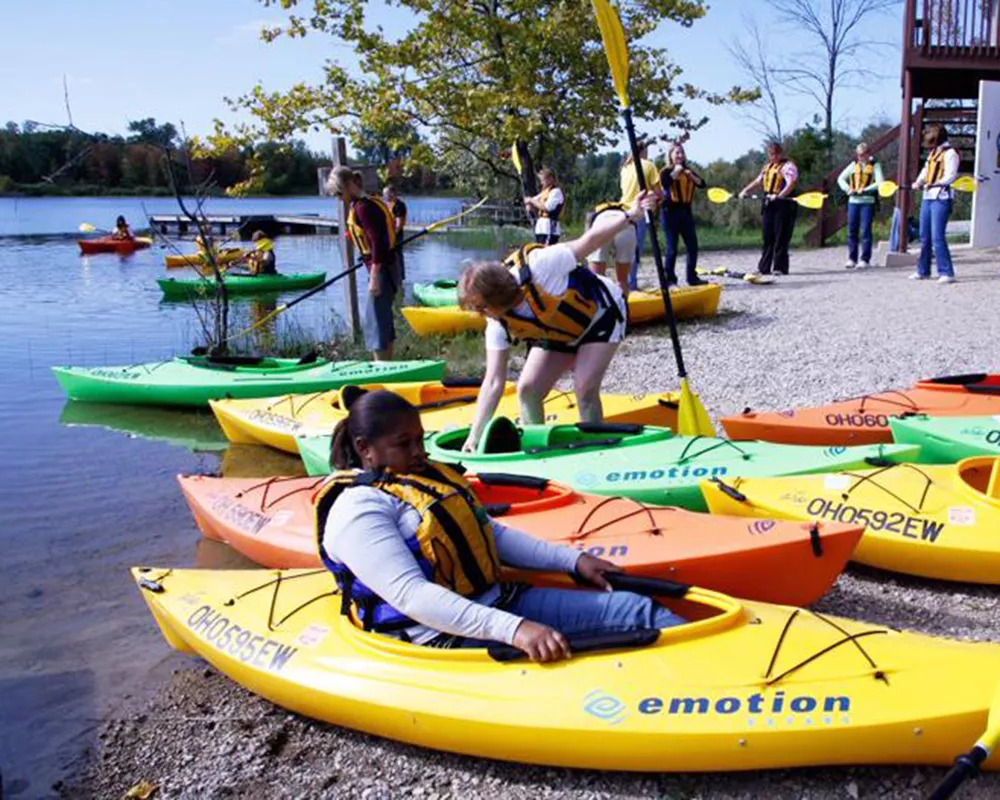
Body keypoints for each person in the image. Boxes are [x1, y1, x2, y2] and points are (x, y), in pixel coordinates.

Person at [314, 389, 685, 661]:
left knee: (638, 611)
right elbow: (412, 596)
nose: (420, 452)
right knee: (621, 639)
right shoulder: (358, 510)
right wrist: (516, 629)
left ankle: (718, 666)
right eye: (404, 443)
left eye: (420, 438)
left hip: (497, 601)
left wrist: (572, 561)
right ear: (365, 449)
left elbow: (490, 534)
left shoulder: (424, 478)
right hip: (435, 639)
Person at [456, 191, 658, 453]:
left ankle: (597, 452)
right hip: (561, 331)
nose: (479, 315)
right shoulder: (496, 323)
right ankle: (539, 452)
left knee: (584, 389)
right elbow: (493, 381)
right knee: (527, 389)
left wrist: (632, 214)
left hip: (603, 313)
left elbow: (590, 240)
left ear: (495, 296)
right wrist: (475, 435)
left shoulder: (542, 265)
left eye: (480, 308)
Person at [328, 165, 401, 360]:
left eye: (338, 193)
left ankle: (382, 367)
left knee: (374, 321)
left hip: (382, 269)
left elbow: (378, 241)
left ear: (348, 186)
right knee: (381, 317)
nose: (338, 198)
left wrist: (374, 276)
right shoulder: (365, 204)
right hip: (387, 266)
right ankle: (387, 364)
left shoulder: (364, 208)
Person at [740, 142, 799, 277]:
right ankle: (764, 267)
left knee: (781, 236)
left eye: (775, 154)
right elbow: (758, 181)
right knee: (767, 236)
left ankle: (780, 267)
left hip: (784, 203)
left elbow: (790, 184)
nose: (773, 157)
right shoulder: (767, 167)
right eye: (771, 154)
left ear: (780, 153)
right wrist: (745, 191)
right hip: (769, 202)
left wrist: (779, 196)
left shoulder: (789, 167)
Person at [910, 124, 960, 284]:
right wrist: (918, 182)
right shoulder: (932, 153)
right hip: (928, 197)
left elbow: (951, 175)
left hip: (942, 198)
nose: (928, 145)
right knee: (924, 236)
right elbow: (925, 171)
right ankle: (923, 270)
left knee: (937, 236)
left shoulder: (951, 153)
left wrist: (935, 184)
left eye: (931, 141)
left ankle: (946, 272)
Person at [659, 143, 706, 286]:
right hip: (670, 212)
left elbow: (702, 183)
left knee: (692, 246)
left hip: (686, 211)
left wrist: (690, 175)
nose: (680, 156)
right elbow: (665, 183)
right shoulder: (666, 171)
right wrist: (676, 172)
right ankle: (670, 280)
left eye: (681, 153)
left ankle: (692, 277)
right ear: (671, 156)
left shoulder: (688, 171)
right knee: (672, 248)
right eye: (677, 153)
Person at [619, 141, 662, 291]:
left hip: (623, 212)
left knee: (625, 251)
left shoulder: (625, 167)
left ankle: (624, 283)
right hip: (639, 211)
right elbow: (658, 192)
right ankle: (631, 286)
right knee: (635, 251)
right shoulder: (648, 165)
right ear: (644, 151)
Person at [837, 142, 884, 270]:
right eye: (858, 155)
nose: (860, 157)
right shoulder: (853, 165)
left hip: (867, 202)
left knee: (865, 231)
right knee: (852, 230)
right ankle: (852, 258)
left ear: (868, 154)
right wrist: (848, 189)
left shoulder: (875, 165)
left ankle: (865, 259)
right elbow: (840, 179)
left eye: (863, 154)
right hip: (853, 202)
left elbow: (880, 182)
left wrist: (865, 190)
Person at [584, 202, 636, 296]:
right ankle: (623, 308)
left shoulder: (595, 214)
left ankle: (600, 306)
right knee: (622, 281)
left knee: (596, 278)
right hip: (626, 223)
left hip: (601, 224)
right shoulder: (624, 208)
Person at [523, 168, 565, 245]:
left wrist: (531, 201)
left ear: (550, 179)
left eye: (543, 180)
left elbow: (546, 207)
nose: (541, 183)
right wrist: (529, 203)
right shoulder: (545, 192)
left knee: (547, 253)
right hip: (541, 228)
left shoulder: (556, 192)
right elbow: (533, 200)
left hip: (550, 228)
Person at [383, 185, 408, 281]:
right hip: (388, 234)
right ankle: (391, 276)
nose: (385, 196)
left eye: (387, 193)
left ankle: (400, 277)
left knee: (397, 255)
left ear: (393, 193)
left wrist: (394, 235)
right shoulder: (387, 204)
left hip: (396, 235)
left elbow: (399, 223)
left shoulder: (399, 205)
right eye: (384, 194)